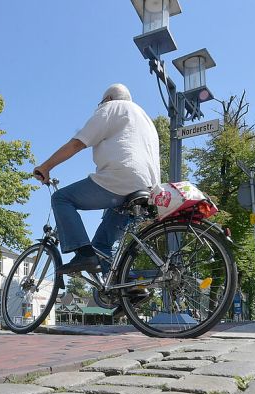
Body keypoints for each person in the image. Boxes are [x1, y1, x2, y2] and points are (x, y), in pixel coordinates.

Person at [33, 83, 160, 274]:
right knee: (102, 246)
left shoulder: (111, 108)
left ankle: (84, 254)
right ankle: (129, 288)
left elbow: (77, 144)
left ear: (107, 99)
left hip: (119, 179)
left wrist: (45, 167)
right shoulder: (145, 119)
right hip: (148, 188)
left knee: (61, 199)